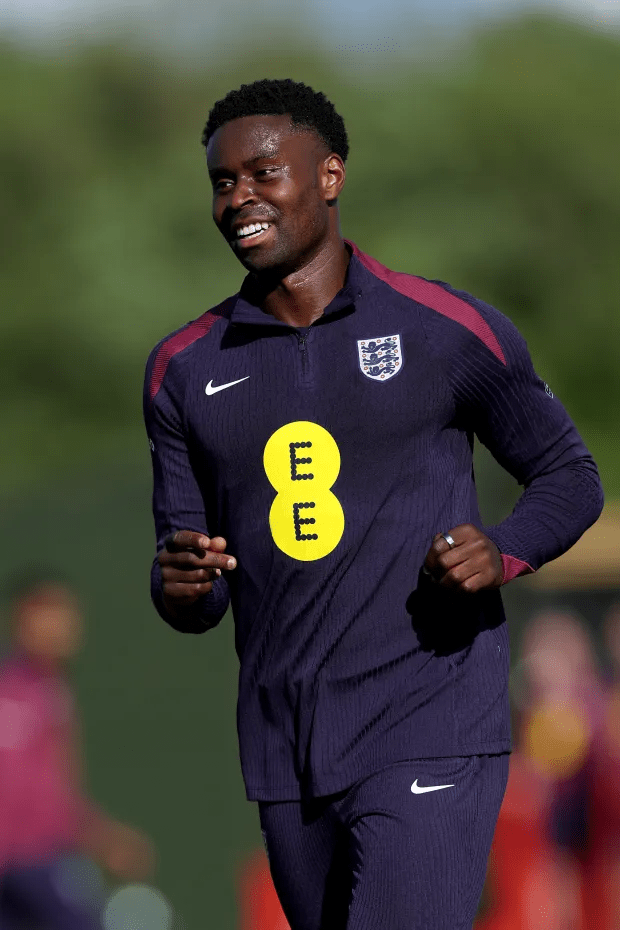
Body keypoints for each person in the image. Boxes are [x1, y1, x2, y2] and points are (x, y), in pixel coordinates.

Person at [143, 78, 605, 930]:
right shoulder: (183, 368)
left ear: (330, 176)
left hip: (431, 722)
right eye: (222, 181)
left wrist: (498, 552)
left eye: (264, 172)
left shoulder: (446, 328)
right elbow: (191, 585)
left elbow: (572, 479)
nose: (239, 196)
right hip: (286, 749)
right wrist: (180, 583)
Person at [0, 569, 155, 930]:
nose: (63, 623)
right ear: (21, 618)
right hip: (26, 864)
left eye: (66, 611)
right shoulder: (15, 694)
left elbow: (53, 795)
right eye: (47, 611)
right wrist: (99, 838)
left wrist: (98, 835)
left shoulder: (50, 689)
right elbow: (21, 794)